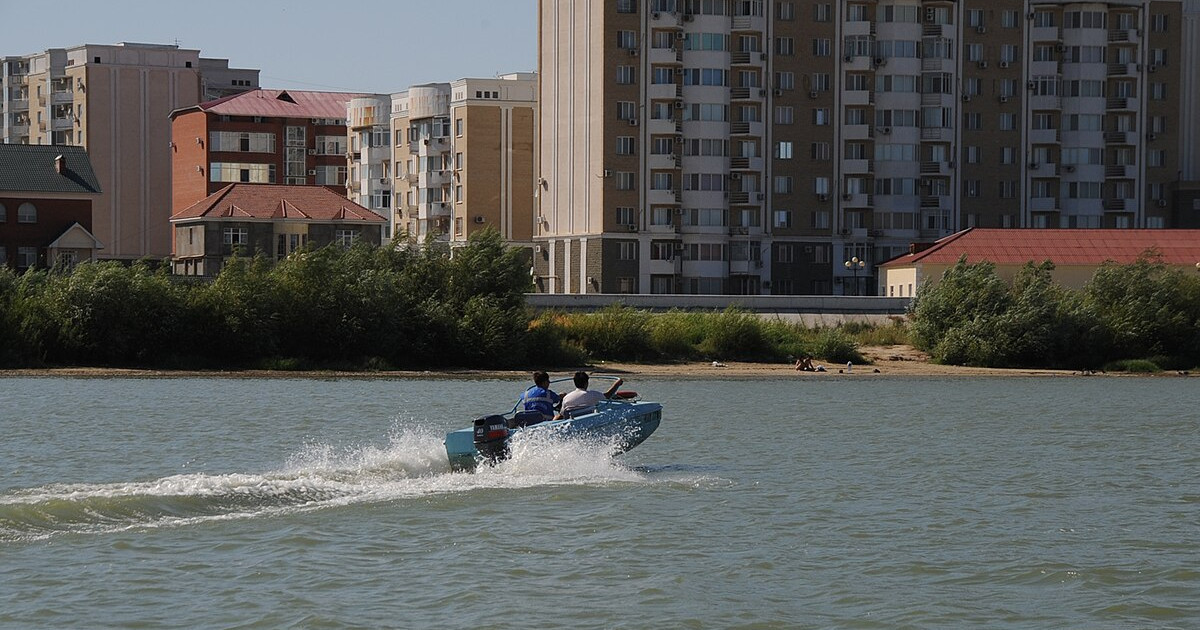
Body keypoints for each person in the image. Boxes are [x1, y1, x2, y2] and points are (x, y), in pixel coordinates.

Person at [556, 371, 623, 419]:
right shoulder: (592, 395)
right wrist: (617, 383)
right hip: (587, 421)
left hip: (572, 422)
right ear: (586, 383)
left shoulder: (566, 398)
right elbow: (608, 395)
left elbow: (562, 415)